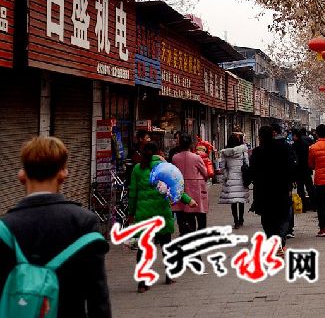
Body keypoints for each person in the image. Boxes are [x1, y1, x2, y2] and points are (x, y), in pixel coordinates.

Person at [0, 135, 112, 317]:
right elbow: (98, 298)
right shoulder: (84, 223)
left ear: (22, 175)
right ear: (63, 173)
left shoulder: (5, 228)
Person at [128, 141, 196, 292]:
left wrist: (131, 213)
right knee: (166, 245)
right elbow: (175, 188)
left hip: (143, 214)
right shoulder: (164, 167)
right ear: (158, 152)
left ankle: (142, 283)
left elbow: (132, 193)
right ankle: (169, 275)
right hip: (162, 214)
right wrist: (188, 200)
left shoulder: (137, 169)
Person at [247, 125, 296, 254]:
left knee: (267, 218)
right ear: (273, 134)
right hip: (281, 188)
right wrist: (291, 183)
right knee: (283, 216)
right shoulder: (284, 148)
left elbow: (252, 172)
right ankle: (279, 240)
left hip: (263, 190)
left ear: (260, 137)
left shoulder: (257, 152)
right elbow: (291, 167)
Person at [172, 133, 209, 235]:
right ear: (191, 144)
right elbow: (205, 173)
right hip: (196, 189)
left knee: (184, 215)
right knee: (200, 214)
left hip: (181, 188)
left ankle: (186, 234)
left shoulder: (175, 158)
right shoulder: (196, 158)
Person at [218, 133, 249, 229]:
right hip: (242, 178)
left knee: (233, 201)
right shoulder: (243, 152)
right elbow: (247, 165)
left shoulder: (225, 153)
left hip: (231, 179)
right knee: (241, 200)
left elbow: (223, 167)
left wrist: (226, 175)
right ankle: (241, 219)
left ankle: (236, 221)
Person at [272, 122, 297, 237]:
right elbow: (292, 163)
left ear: (274, 132)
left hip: (272, 182)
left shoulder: (267, 147)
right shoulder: (287, 145)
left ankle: (279, 230)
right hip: (286, 182)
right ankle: (288, 229)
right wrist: (293, 179)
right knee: (287, 204)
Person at [292, 127, 314, 212]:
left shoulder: (294, 145)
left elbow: (294, 159)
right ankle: (314, 205)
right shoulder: (306, 143)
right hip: (307, 169)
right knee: (310, 187)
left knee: (300, 188)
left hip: (299, 170)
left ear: (295, 136)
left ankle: (303, 207)